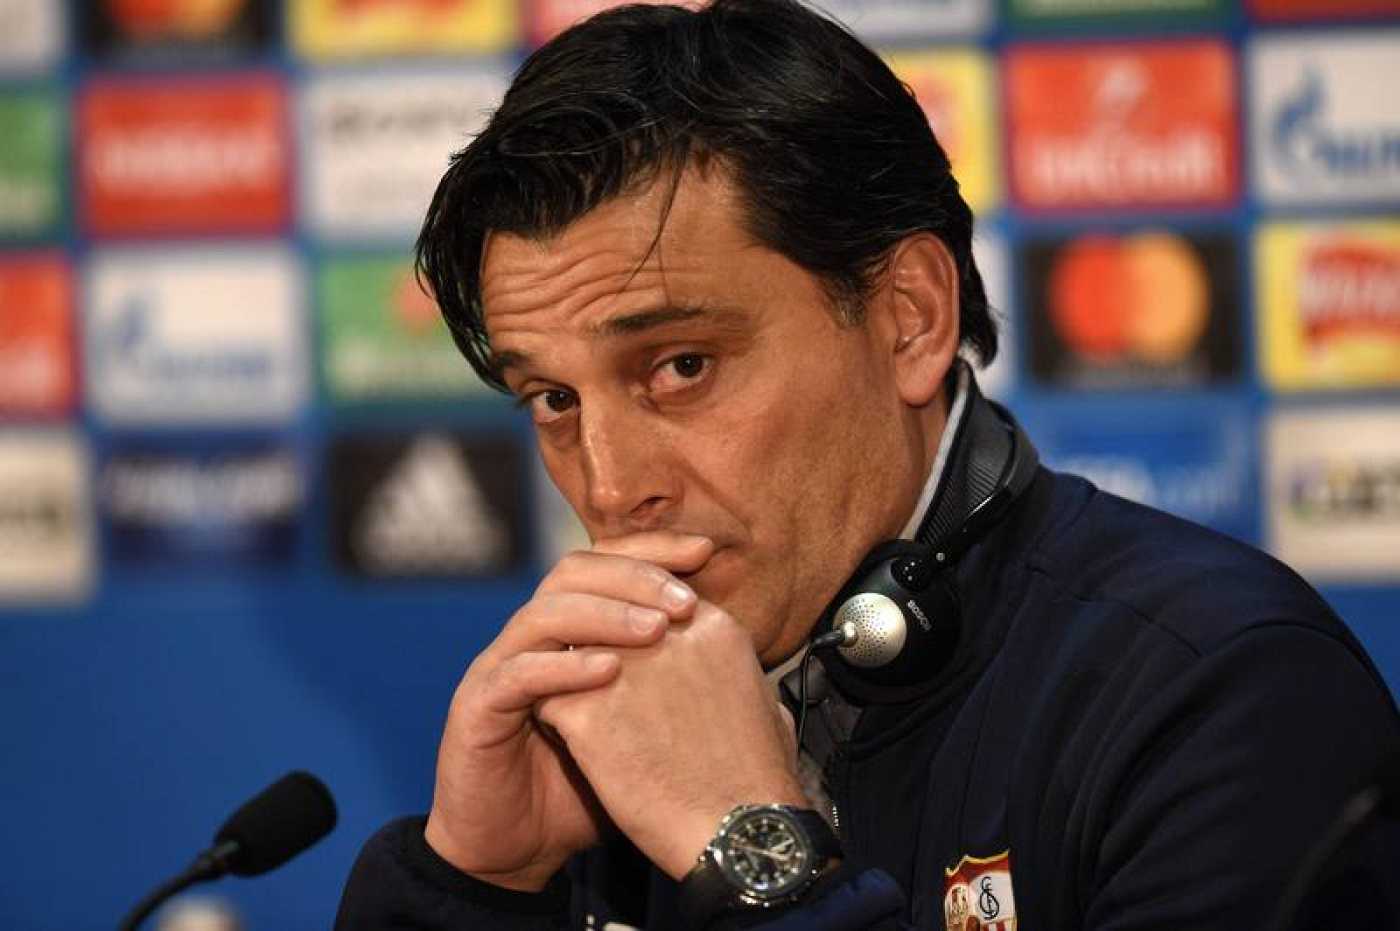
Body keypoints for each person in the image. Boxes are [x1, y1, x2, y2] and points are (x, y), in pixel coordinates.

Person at [334, 0, 1400, 927]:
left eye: (681, 366)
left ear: (908, 319)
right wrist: (475, 887)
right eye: (555, 400)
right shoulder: (608, 735)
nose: (610, 487)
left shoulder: (1224, 693)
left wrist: (749, 850)